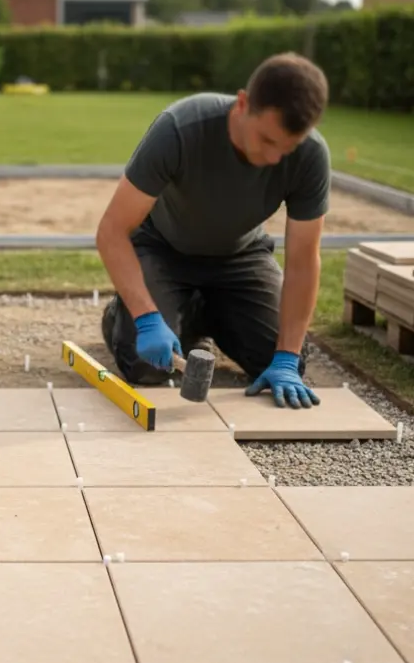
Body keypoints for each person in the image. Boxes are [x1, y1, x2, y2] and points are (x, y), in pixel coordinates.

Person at [95, 52, 330, 410]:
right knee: (145, 366)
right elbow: (112, 230)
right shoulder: (179, 129)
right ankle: (124, 314)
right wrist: (144, 317)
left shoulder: (311, 156)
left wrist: (284, 357)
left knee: (287, 360)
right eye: (267, 140)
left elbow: (302, 262)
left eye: (287, 148)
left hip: (241, 259)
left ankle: (204, 316)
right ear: (242, 104)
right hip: (163, 249)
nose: (273, 159)